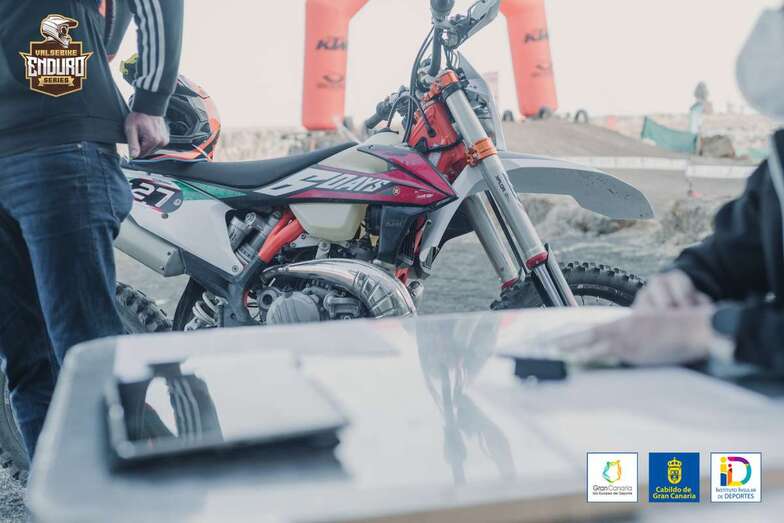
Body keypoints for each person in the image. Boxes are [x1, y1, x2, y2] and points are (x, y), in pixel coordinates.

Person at [553, 6, 784, 369]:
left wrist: (711, 331)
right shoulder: (777, 170)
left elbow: (716, 328)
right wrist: (682, 283)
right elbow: (730, 256)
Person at [0, 0, 183, 457]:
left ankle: (127, 486)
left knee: (69, 356)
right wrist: (149, 99)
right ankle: (80, 490)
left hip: (57, 139)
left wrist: (151, 97)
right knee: (45, 358)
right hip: (54, 144)